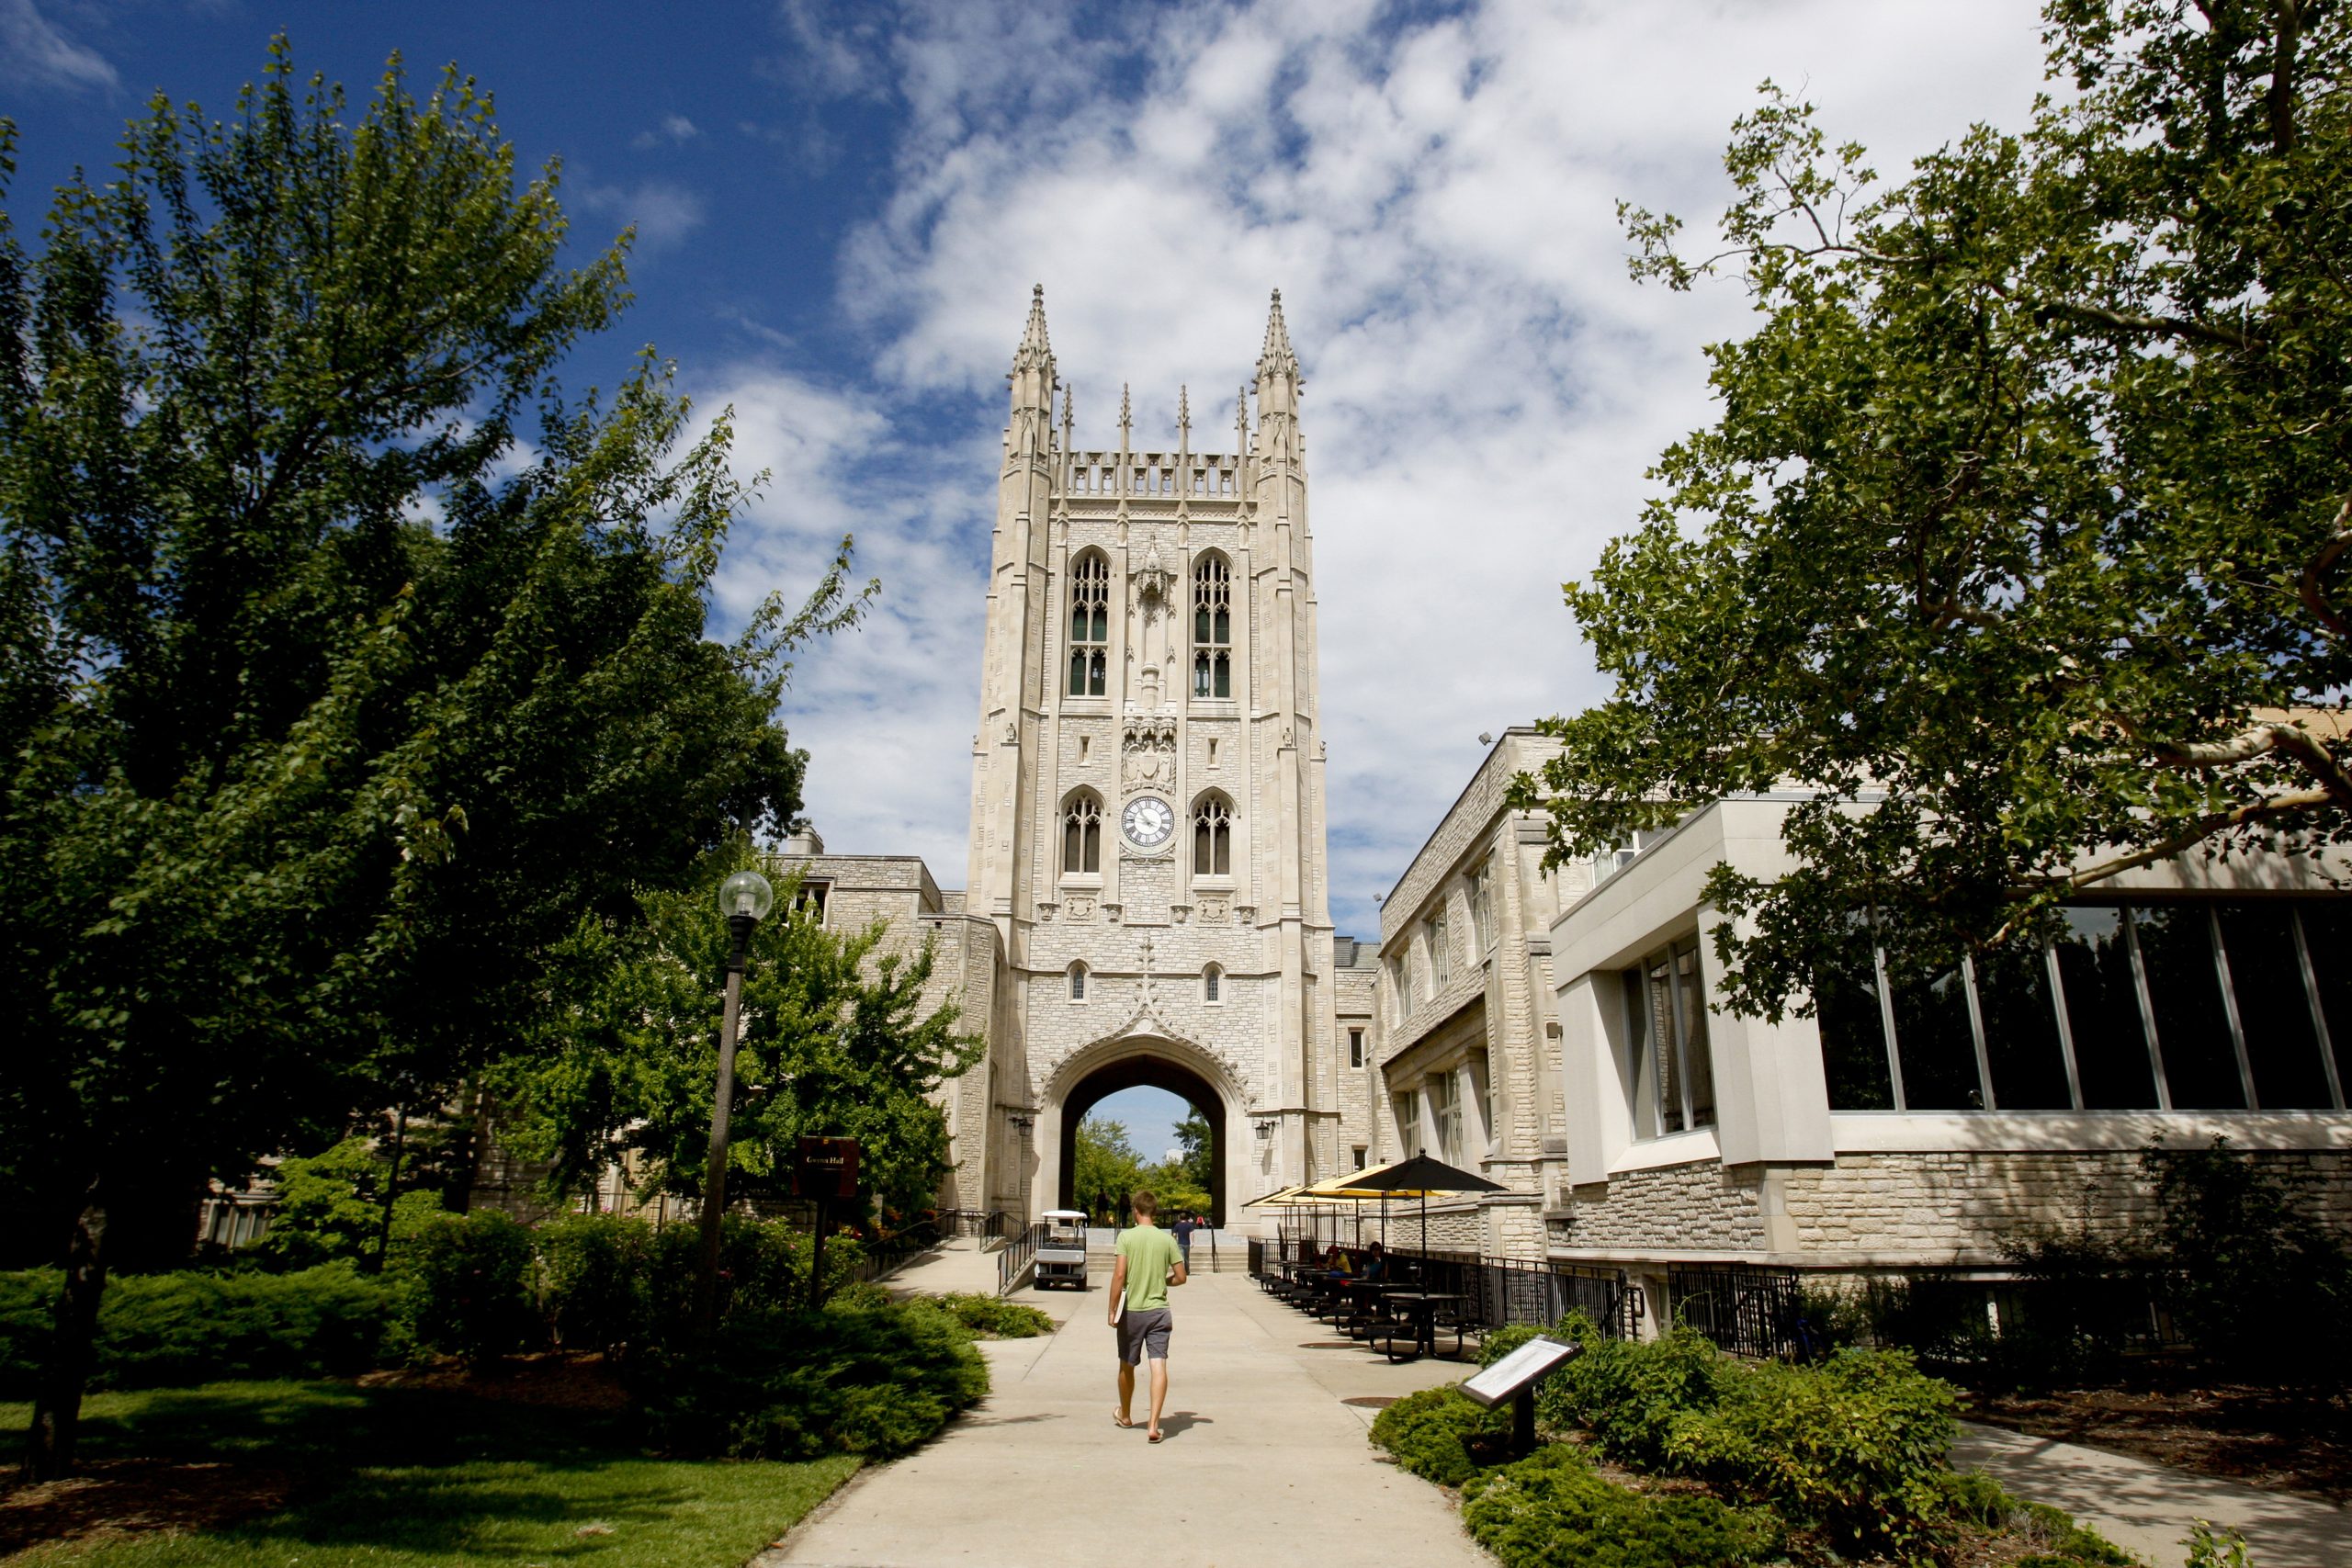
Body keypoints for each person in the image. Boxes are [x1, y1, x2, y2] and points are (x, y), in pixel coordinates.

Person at [1109, 1187, 1186, 1443]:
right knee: (1159, 1365)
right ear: (1155, 1211)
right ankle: (1154, 1425)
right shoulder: (1167, 1240)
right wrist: (1165, 1283)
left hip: (1133, 1311)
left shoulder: (1126, 1237)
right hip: (1160, 1312)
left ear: (1135, 1211)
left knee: (1127, 1364)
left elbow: (1119, 1275)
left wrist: (1112, 1307)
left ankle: (1126, 1414)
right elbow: (1181, 1277)